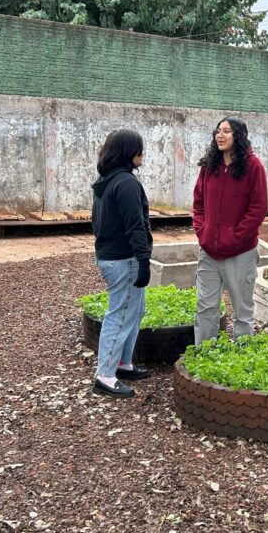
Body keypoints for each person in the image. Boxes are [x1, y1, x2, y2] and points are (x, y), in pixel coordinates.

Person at [193, 117, 268, 344]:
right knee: (205, 307)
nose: (220, 135)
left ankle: (243, 360)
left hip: (240, 253)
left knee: (243, 312)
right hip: (209, 253)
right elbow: (198, 203)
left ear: (239, 136)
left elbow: (258, 208)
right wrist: (202, 230)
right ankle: (203, 356)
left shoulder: (253, 166)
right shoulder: (209, 166)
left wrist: (236, 237)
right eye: (218, 131)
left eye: (226, 131)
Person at [91, 129, 153, 398]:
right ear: (129, 151)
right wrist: (143, 260)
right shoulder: (126, 183)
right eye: (139, 148)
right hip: (123, 259)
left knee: (135, 311)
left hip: (110, 257)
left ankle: (122, 363)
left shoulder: (106, 180)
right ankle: (105, 375)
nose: (142, 154)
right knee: (119, 315)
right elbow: (136, 226)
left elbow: (97, 223)